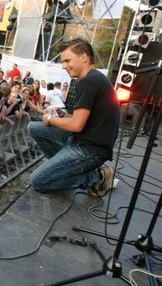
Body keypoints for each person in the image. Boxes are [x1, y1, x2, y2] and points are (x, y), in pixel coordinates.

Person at [28, 38, 120, 196]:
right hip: (83, 140)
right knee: (34, 128)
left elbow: (76, 125)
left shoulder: (89, 81)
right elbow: (83, 119)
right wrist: (64, 115)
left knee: (39, 181)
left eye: (67, 60)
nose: (64, 66)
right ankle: (62, 170)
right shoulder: (93, 78)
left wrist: (50, 119)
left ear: (83, 57)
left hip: (90, 150)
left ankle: (97, 177)